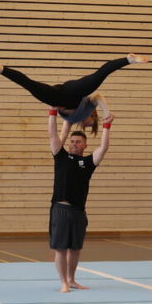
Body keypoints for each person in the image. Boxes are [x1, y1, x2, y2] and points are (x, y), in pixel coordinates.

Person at [47, 106, 113, 293]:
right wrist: (52, 113)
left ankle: (72, 279)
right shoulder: (60, 156)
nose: (74, 143)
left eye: (78, 142)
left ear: (84, 145)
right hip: (60, 208)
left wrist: (107, 125)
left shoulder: (88, 163)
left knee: (75, 248)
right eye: (72, 141)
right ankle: (63, 282)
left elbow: (104, 147)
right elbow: (53, 134)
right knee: (61, 248)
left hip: (78, 210)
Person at [0, 53, 147, 124]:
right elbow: (98, 97)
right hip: (73, 92)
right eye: (91, 123)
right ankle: (127, 60)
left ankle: (0, 69)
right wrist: (106, 113)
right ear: (92, 116)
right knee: (97, 77)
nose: (87, 124)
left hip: (55, 97)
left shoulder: (71, 121)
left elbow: (62, 133)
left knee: (29, 85)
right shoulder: (88, 107)